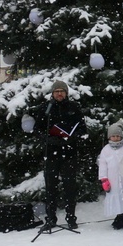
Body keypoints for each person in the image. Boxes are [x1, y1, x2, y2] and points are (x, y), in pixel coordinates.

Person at [33, 79, 87, 229]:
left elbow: (82, 129)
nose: (59, 94)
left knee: (70, 187)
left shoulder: (73, 107)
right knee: (51, 188)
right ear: (52, 93)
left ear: (66, 93)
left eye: (62, 91)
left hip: (69, 153)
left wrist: (71, 138)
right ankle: (51, 219)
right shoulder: (46, 108)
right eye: (56, 91)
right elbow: (37, 129)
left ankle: (71, 218)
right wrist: (48, 139)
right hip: (51, 153)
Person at [98, 120, 123, 230]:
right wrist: (104, 179)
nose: (116, 138)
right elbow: (102, 165)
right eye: (113, 136)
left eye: (118, 136)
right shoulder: (106, 150)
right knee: (117, 197)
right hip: (112, 179)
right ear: (109, 137)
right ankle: (120, 216)